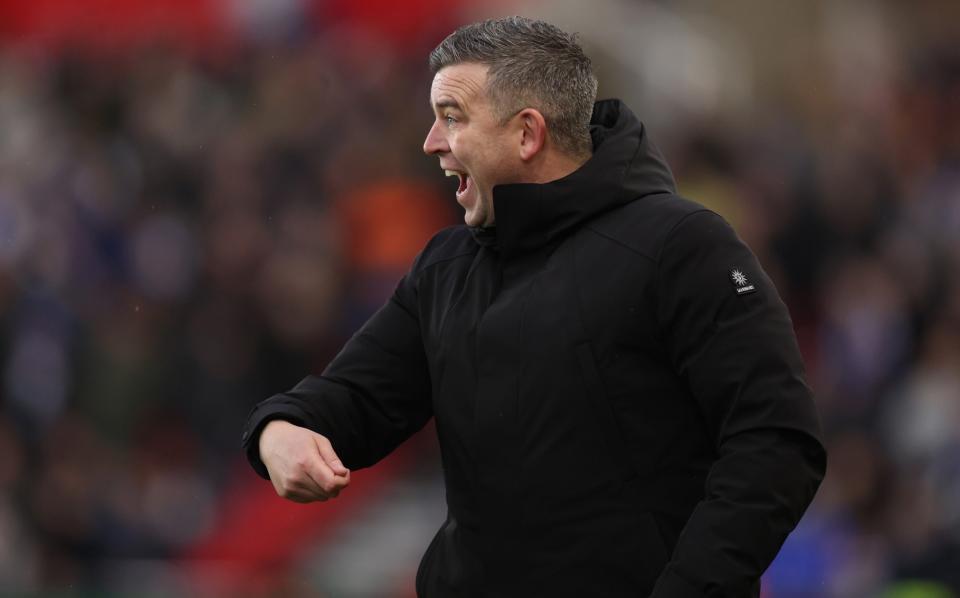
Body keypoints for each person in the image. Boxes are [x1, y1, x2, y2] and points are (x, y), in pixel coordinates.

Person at [241, 16, 826, 598]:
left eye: (452, 117)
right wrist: (279, 431)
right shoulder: (445, 267)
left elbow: (776, 442)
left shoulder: (683, 245)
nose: (431, 142)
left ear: (527, 134)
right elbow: (353, 401)